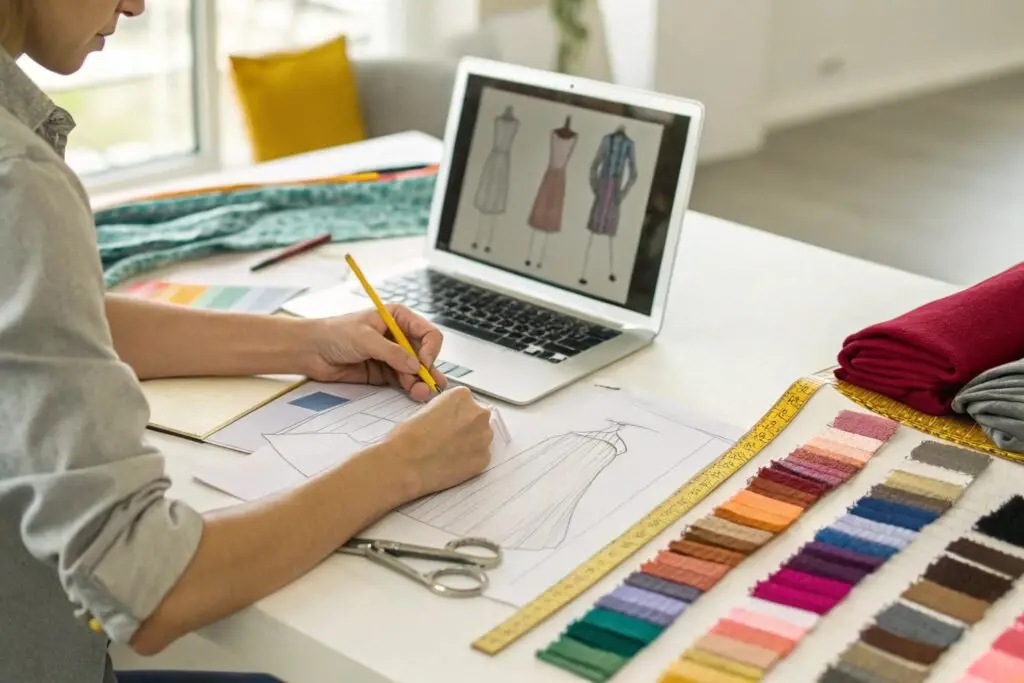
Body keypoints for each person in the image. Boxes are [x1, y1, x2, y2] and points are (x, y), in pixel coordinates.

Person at [0, 2, 495, 682]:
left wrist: (308, 342)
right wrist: (404, 463)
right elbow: (149, 584)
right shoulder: (17, 179)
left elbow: (49, 320)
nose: (137, 4)